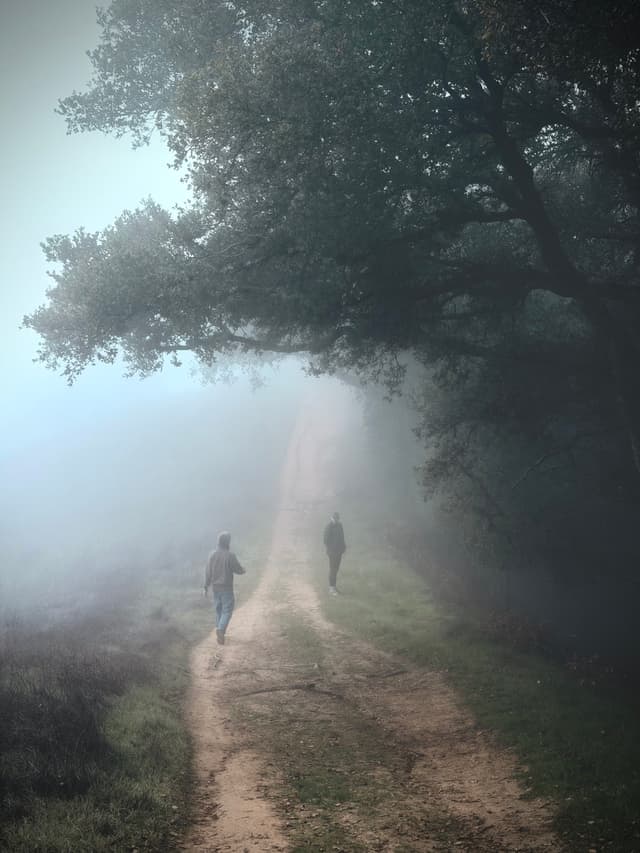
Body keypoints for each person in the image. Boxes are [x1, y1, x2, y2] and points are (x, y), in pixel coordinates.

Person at [204, 531, 246, 644]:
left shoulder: (212, 555)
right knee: (227, 610)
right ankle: (221, 630)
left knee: (219, 610)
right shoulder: (230, 555)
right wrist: (243, 570)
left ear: (218, 542)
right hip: (226, 588)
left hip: (215, 588)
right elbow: (237, 568)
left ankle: (219, 631)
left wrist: (206, 585)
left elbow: (208, 572)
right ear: (228, 542)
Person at [323, 511, 346, 595]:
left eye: (337, 518)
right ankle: (331, 589)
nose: (336, 520)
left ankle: (334, 587)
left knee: (336, 570)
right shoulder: (329, 527)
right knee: (333, 570)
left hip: (339, 552)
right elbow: (325, 540)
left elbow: (342, 537)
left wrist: (343, 547)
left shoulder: (340, 525)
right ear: (332, 518)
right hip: (332, 552)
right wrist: (332, 548)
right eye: (334, 518)